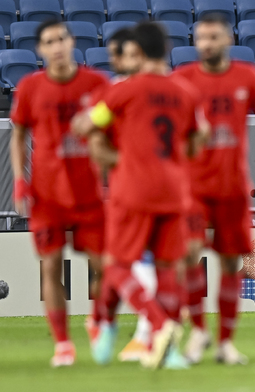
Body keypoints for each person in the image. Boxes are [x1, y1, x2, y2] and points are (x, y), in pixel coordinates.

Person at [72, 21, 207, 369]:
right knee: (167, 269)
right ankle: (171, 354)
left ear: (140, 52)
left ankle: (159, 325)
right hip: (174, 191)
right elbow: (198, 138)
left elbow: (88, 124)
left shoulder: (125, 90)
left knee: (116, 264)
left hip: (133, 189)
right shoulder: (185, 92)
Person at [174, 13, 255, 365]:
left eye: (213, 37)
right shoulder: (182, 80)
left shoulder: (247, 77)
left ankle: (225, 342)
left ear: (227, 39)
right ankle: (197, 332)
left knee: (230, 265)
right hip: (194, 189)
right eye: (201, 38)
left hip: (233, 190)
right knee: (189, 255)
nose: (206, 43)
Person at [10, 19, 109, 367]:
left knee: (106, 267)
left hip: (89, 194)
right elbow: (18, 134)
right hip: (47, 197)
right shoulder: (31, 87)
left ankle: (97, 319)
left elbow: (113, 120)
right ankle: (63, 344)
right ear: (41, 50)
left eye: (61, 39)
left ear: (72, 42)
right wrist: (20, 182)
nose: (56, 46)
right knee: (50, 266)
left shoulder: (96, 83)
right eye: (49, 41)